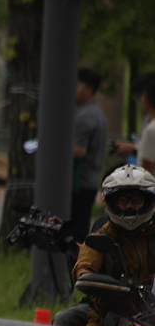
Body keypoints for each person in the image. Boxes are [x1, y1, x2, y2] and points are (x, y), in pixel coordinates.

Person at [72, 165, 155, 326]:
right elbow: (84, 267)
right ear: (111, 202)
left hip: (150, 314)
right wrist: (97, 283)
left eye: (136, 200)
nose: (129, 207)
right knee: (65, 318)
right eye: (123, 201)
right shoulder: (101, 237)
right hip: (107, 317)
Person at [71, 67, 108, 243]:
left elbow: (79, 150)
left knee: (75, 231)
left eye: (78, 85)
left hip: (79, 182)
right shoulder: (97, 113)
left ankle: (77, 260)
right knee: (81, 226)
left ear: (90, 88)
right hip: (90, 181)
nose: (74, 89)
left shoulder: (85, 116)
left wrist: (54, 150)